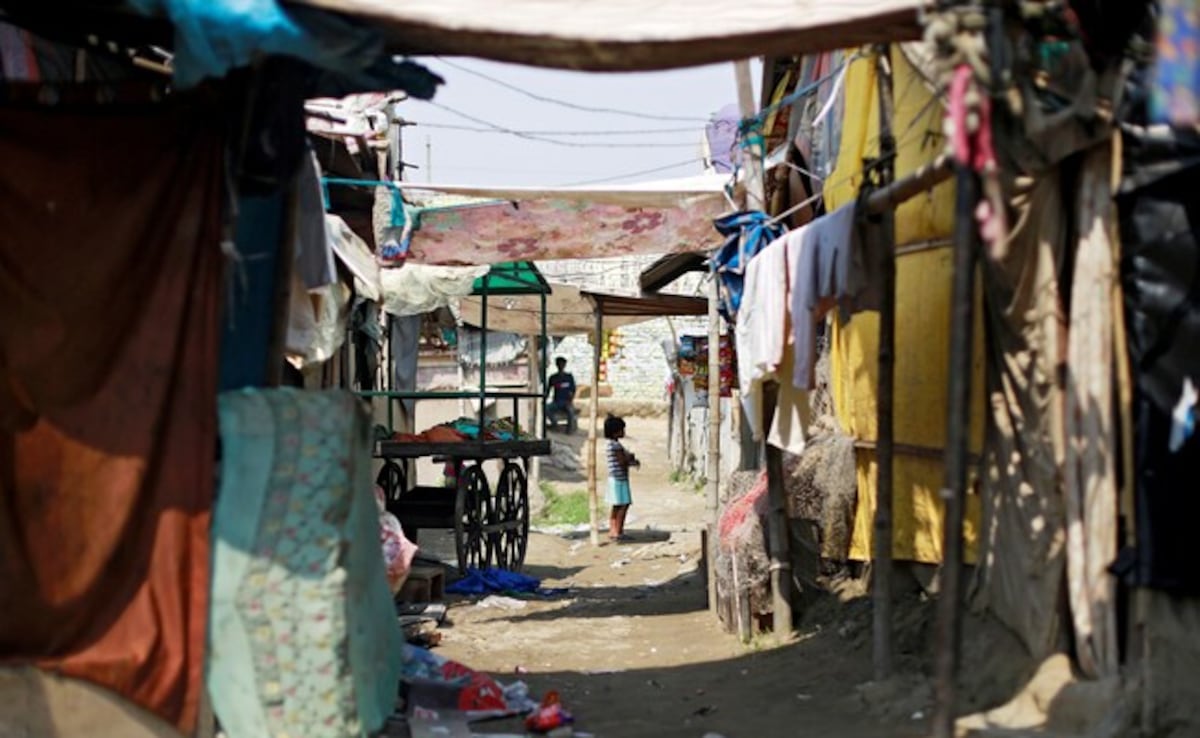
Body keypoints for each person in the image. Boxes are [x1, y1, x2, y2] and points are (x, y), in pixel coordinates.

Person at [604, 414, 640, 542]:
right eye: (622, 430)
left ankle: (613, 530)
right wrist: (631, 460)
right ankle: (618, 531)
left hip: (614, 479)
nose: (624, 432)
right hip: (620, 479)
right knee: (624, 505)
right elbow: (622, 461)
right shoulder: (616, 446)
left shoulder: (610, 444)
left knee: (616, 506)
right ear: (615, 432)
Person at [545, 357, 577, 434]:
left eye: (562, 364)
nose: (561, 366)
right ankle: (555, 424)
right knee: (546, 409)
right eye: (559, 364)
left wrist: (570, 400)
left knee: (570, 412)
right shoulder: (553, 378)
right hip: (556, 401)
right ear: (557, 365)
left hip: (566, 402)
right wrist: (544, 400)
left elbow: (573, 390)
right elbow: (548, 390)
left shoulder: (569, 377)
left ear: (565, 365)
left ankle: (569, 430)